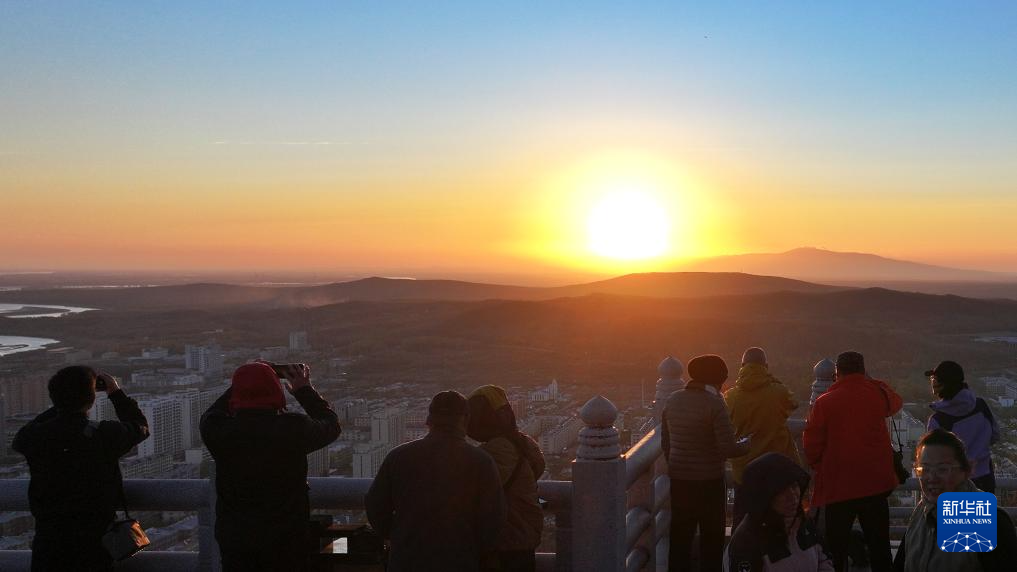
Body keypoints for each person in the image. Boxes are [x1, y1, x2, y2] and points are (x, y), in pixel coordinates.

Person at [200, 361, 341, 572]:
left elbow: (211, 414)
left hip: (237, 543)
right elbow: (330, 424)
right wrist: (304, 390)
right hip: (287, 541)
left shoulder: (219, 431)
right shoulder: (293, 428)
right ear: (275, 391)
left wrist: (249, 377)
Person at [13, 366, 150, 571]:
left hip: (49, 544)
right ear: (92, 398)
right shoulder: (103, 435)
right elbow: (140, 427)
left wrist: (62, 405)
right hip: (94, 546)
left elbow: (22, 435)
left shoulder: (34, 437)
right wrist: (116, 393)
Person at [366, 390, 506, 572]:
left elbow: (375, 505)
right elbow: (494, 519)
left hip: (407, 560)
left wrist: (399, 534)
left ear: (429, 420)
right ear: (465, 420)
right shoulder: (480, 461)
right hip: (460, 561)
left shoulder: (398, 457)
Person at [803, 351, 901, 572]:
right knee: (879, 546)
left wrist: (822, 466)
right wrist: (871, 380)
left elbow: (811, 444)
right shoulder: (877, 394)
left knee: (836, 547)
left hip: (839, 486)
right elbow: (895, 403)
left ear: (837, 373)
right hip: (876, 483)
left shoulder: (824, 402)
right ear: (863, 371)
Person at [662, 354, 751, 572]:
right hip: (709, 482)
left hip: (679, 481)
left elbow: (666, 442)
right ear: (717, 379)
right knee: (711, 540)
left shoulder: (673, 400)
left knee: (680, 538)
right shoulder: (714, 404)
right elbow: (729, 448)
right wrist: (747, 443)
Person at [893, 429, 1017, 571]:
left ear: (966, 470)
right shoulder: (922, 512)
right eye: (924, 469)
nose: (932, 478)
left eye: (942, 469)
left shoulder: (989, 521)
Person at [467, 385, 545, 572]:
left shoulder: (496, 451)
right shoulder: (523, 442)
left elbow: (472, 490)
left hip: (506, 540)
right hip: (524, 538)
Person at [724, 347, 801, 529]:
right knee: (777, 523)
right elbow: (794, 404)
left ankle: (739, 556)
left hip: (744, 471)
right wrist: (771, 381)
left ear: (742, 366)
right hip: (775, 469)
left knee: (742, 521)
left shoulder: (730, 396)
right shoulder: (778, 392)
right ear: (766, 366)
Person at [725, 453, 834, 572]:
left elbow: (825, 560)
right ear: (765, 497)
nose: (793, 496)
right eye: (782, 491)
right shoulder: (747, 540)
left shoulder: (804, 525)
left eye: (794, 486)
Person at [924, 360, 1000, 493]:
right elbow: (995, 436)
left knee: (957, 514)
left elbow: (933, 460)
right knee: (981, 514)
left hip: (955, 483)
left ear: (944, 385)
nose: (933, 382)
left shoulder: (938, 421)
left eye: (935, 379)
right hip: (985, 478)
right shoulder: (981, 407)